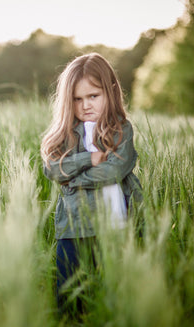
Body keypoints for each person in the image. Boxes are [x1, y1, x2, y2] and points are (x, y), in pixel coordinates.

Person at [40, 53, 142, 316]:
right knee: (70, 298)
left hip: (114, 224)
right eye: (77, 99)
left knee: (114, 295)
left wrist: (73, 179)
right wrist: (91, 157)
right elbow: (52, 168)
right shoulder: (64, 135)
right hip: (73, 228)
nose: (85, 105)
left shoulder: (122, 130)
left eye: (93, 96)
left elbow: (115, 169)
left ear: (110, 92)